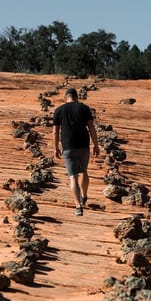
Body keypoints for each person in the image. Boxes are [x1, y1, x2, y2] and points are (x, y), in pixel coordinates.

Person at [52, 87, 99, 216]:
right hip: (84, 145)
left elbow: (55, 131)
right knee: (83, 171)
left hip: (68, 147)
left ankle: (78, 206)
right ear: (76, 97)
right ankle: (84, 195)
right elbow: (91, 127)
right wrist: (96, 145)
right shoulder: (84, 108)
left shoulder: (59, 110)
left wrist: (55, 148)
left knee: (73, 177)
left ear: (66, 97)